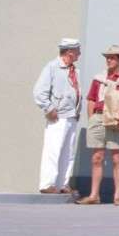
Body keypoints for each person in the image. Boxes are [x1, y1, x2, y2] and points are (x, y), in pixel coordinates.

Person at [77, 45, 119, 206]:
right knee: (97, 157)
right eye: (107, 57)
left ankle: (117, 196)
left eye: (113, 57)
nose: (109, 59)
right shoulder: (98, 78)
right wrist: (92, 118)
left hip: (115, 119)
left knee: (117, 157)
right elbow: (91, 99)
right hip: (98, 118)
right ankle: (94, 196)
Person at [32, 38, 82, 194]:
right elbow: (39, 92)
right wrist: (49, 108)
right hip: (58, 116)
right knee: (53, 150)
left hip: (72, 116)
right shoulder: (52, 67)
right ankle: (47, 184)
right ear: (69, 52)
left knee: (68, 153)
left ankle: (62, 184)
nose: (79, 53)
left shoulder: (75, 71)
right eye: (77, 50)